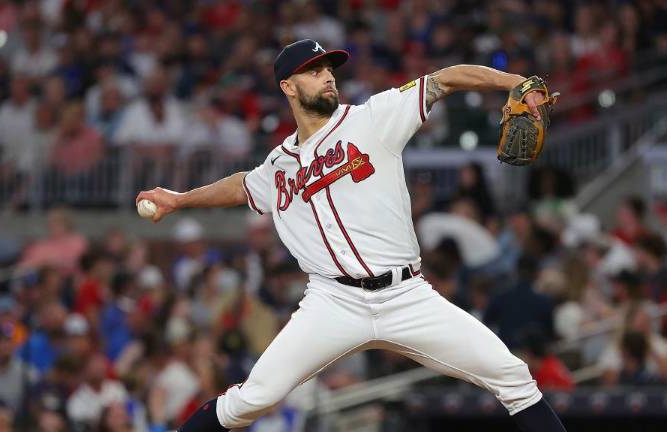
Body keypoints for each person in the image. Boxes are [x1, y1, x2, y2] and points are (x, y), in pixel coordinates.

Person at [138, 39, 566, 431]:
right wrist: (180, 199)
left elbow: (446, 79)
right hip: (332, 302)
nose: (327, 76)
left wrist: (516, 82)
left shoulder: (373, 118)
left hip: (406, 296)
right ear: (288, 87)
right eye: (314, 71)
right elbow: (242, 185)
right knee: (248, 401)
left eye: (329, 69)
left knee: (513, 377)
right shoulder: (279, 164)